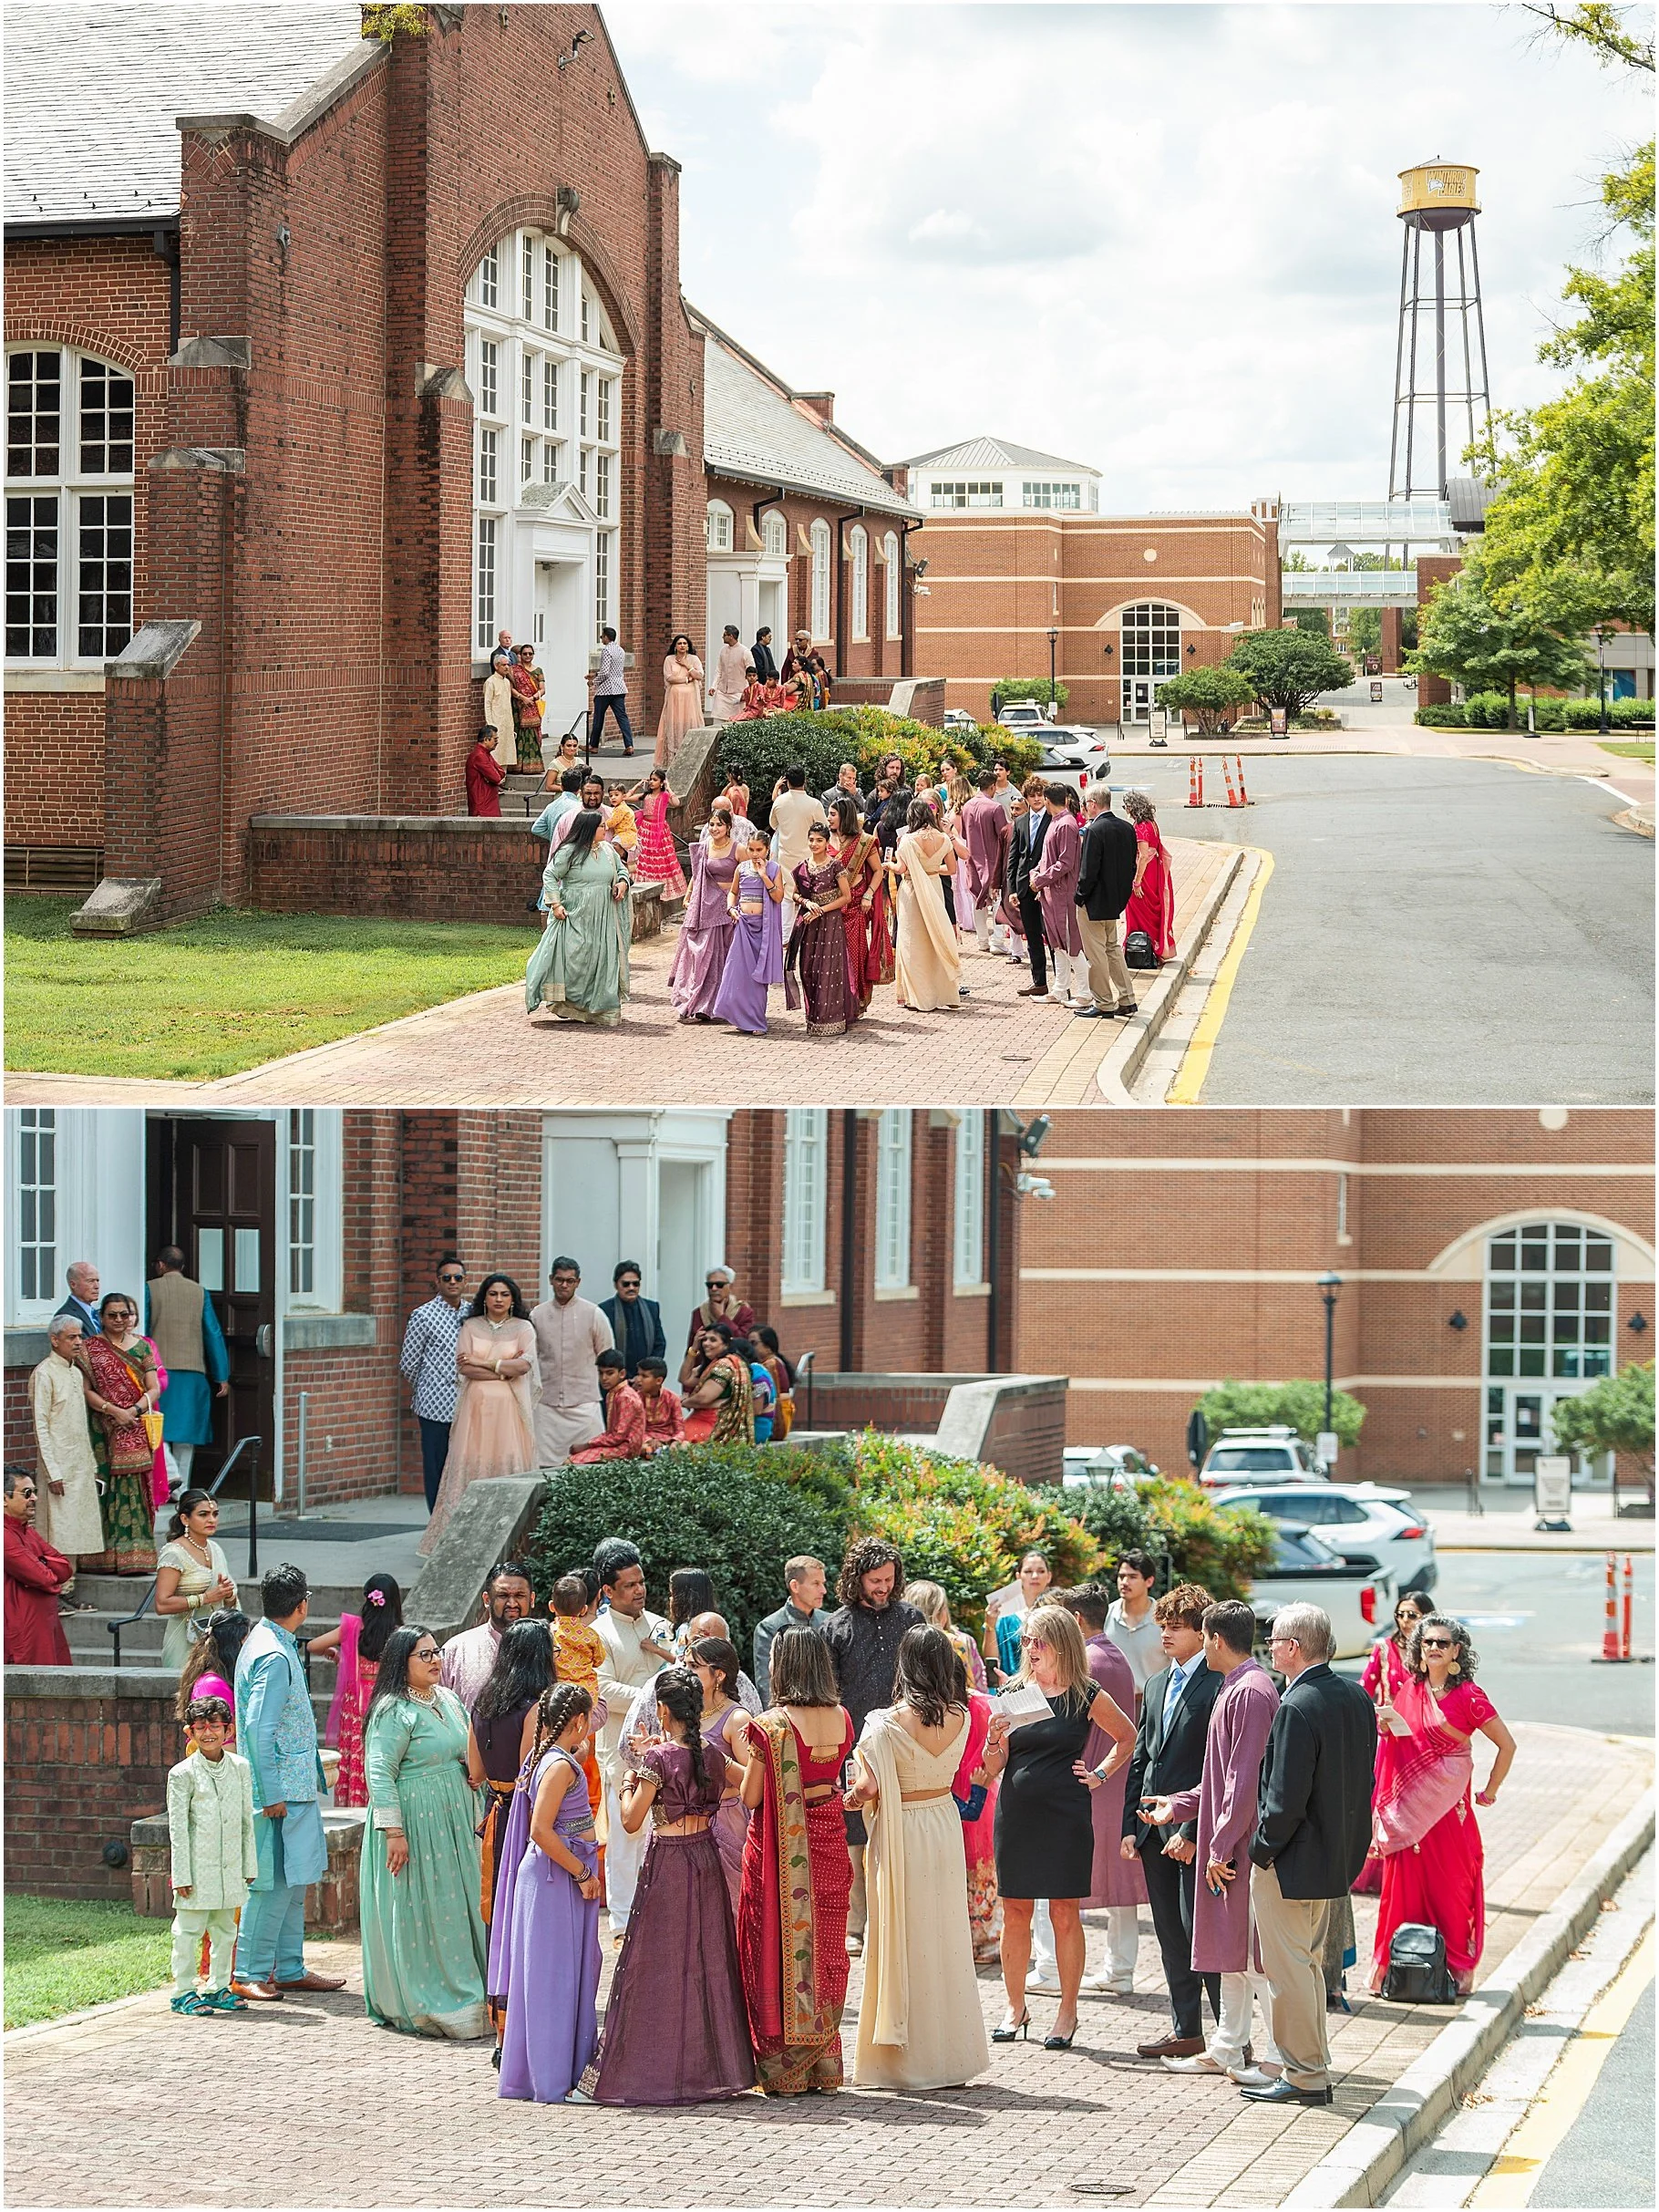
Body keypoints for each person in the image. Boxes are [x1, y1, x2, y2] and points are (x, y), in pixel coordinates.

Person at [575, 1665, 756, 2103]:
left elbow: (631, 1821)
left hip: (670, 1862)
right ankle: (710, 2070)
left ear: (661, 1709)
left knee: (655, 1964)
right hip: (706, 1859)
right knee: (707, 1962)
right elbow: (753, 1785)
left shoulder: (657, 1760)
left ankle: (644, 2068)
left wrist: (627, 1782)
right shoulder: (712, 1753)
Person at [846, 1625, 992, 2090]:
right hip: (943, 1822)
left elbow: (867, 1788)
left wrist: (852, 1797)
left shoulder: (884, 1723)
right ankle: (951, 2055)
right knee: (946, 1936)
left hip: (903, 1828)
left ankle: (903, 2060)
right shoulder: (963, 1714)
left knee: (901, 1935)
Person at [1142, 1599, 1283, 2082]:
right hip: (1230, 1844)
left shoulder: (1249, 1692)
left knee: (1255, 1958)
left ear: (1217, 1640)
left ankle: (1280, 2056)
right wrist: (1178, 1806)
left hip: (1239, 1850)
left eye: (1203, 1636)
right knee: (1234, 1957)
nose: (1202, 1645)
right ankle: (1226, 2047)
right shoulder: (1239, 1685)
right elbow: (1219, 1779)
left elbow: (1243, 1785)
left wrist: (1217, 1847)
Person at [1243, 1602, 1376, 2106]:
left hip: (1290, 1860)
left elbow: (1283, 1799)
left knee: (1289, 1969)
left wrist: (1260, 1850)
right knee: (1308, 1966)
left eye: (1275, 1640)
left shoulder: (1296, 1705)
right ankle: (1312, 2066)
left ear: (1294, 1647)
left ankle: (1304, 2075)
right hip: (1336, 1857)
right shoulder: (1356, 1696)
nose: (1270, 1647)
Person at [985, 1603, 1134, 2050]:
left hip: (1066, 1816)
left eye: (1037, 1641)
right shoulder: (1014, 1693)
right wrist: (994, 1739)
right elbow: (995, 1765)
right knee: (1015, 1912)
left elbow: (1127, 1736)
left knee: (1065, 1913)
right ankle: (1016, 2008)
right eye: (1025, 1641)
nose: (1028, 1649)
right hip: (1016, 1814)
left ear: (1061, 1645)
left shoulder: (1086, 1694)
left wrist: (1101, 1774)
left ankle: (1067, 2012)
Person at [1368, 1613, 1516, 2000]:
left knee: (1452, 1888)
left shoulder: (1470, 1696)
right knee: (1403, 1890)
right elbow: (1401, 1741)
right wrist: (1387, 1729)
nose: (1433, 1647)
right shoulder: (1408, 1690)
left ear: (1457, 1651)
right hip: (1409, 1817)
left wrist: (1491, 1790)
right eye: (1428, 1642)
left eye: (1442, 1643)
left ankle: (1455, 1971)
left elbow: (1507, 1745)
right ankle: (1397, 1971)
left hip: (1451, 1814)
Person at [736, 1625, 857, 2093]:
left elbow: (751, 1797)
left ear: (783, 1667)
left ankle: (785, 2071)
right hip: (830, 1840)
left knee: (772, 1944)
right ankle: (822, 2064)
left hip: (779, 1850)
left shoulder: (770, 1726)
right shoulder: (843, 1717)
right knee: (826, 1947)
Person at [359, 1624, 489, 2040]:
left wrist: (473, 1772)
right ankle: (428, 1997)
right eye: (425, 1655)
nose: (436, 1660)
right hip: (414, 1824)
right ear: (403, 1662)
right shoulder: (393, 1710)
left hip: (454, 1820)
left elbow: (467, 1743)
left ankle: (478, 1989)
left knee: (458, 1900)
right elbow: (379, 1772)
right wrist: (393, 1831)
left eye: (437, 1652)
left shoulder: (448, 1699)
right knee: (425, 1906)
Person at [1123, 1582, 1227, 2060]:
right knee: (1169, 1932)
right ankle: (1187, 2028)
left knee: (1202, 1933)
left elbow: (1217, 1766)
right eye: (1163, 1624)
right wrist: (1131, 1823)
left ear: (1201, 1632)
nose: (1165, 1633)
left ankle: (1228, 2031)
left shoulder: (1217, 1682)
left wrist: (1189, 1831)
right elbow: (1143, 1755)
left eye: (1177, 1627)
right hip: (1152, 1830)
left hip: (1193, 1829)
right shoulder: (1160, 1682)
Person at [232, 1563, 345, 2001]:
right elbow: (259, 1728)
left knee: (292, 1880)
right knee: (274, 1883)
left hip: (288, 1785)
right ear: (302, 1605)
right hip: (280, 1791)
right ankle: (251, 1971)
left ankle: (289, 1966)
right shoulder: (274, 1654)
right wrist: (272, 1793)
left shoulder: (265, 1643)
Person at [498, 1682, 603, 2103]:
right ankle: (552, 2075)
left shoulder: (545, 1758)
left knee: (551, 1975)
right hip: (556, 1879)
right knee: (553, 1979)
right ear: (578, 1721)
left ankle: (543, 2071)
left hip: (549, 1879)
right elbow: (541, 1830)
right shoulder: (558, 1766)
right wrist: (581, 1872)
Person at [822, 1537, 925, 1958]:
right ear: (857, 1579)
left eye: (889, 1579)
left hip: (905, 1739)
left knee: (903, 1828)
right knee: (855, 1835)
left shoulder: (912, 1618)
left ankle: (899, 1919)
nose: (883, 1587)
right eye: (875, 1580)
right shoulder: (835, 1626)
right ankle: (855, 1923)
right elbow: (827, 1692)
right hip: (854, 1745)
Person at [1055, 1584, 1145, 1995]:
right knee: (1119, 1878)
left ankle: (1118, 1968)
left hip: (1096, 1775)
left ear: (1075, 1620)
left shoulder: (1089, 1659)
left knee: (1106, 1877)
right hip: (1112, 1774)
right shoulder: (1112, 1653)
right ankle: (1119, 1966)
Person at [907, 1580, 997, 1959]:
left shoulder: (907, 1646)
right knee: (977, 1843)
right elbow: (977, 1684)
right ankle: (983, 1933)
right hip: (971, 1730)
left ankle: (945, 1935)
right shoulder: (959, 1642)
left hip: (932, 1744)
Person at [466, 1615, 558, 1988]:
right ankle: (524, 1997)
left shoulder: (482, 1703)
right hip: (524, 1817)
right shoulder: (536, 1707)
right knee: (525, 1908)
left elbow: (475, 1770)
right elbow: (531, 1772)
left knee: (498, 1906)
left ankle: (498, 1995)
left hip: (494, 1810)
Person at [419, 1275, 539, 1556]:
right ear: (484, 1298)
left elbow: (523, 1367)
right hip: (475, 1412)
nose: (499, 1299)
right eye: (493, 1293)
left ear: (513, 1299)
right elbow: (465, 1368)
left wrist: (483, 1361)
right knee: (471, 1464)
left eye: (505, 1294)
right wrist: (502, 1370)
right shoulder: (470, 1326)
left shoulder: (524, 1328)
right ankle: (461, 1543)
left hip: (508, 1413)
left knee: (506, 1463)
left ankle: (511, 1543)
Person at [592, 1540, 673, 1938]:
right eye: (629, 1585)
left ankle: (659, 1913)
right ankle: (624, 1922)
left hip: (667, 1752)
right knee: (626, 1838)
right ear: (607, 1591)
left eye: (641, 1582)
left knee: (663, 1834)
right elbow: (603, 1690)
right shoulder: (598, 1635)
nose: (639, 1590)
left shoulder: (659, 1625)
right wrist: (654, 1697)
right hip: (621, 1755)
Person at [166, 1694, 258, 2016]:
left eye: (215, 1727)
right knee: (188, 1930)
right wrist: (182, 1874)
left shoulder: (240, 1768)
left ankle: (219, 1986)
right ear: (189, 1732)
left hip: (231, 1865)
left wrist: (249, 1864)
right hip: (197, 1867)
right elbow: (178, 1829)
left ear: (228, 1729)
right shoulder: (182, 1774)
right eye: (201, 1727)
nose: (209, 1734)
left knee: (225, 1930)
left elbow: (248, 1820)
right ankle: (183, 1990)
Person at [1354, 1590, 1433, 1896]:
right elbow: (1366, 1688)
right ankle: (1380, 1872)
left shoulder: (1431, 1651)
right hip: (1390, 1741)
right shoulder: (1385, 1649)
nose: (1404, 1621)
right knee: (1384, 1805)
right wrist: (1374, 1718)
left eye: (1412, 1615)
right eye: (1400, 1614)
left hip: (1422, 1741)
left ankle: (1413, 1870)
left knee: (1416, 1803)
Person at [77, 1294, 160, 1575]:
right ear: (101, 1317)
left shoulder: (142, 1348)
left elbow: (154, 1387)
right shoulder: (90, 1349)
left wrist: (134, 1410)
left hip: (135, 1426)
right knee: (105, 1488)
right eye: (112, 1315)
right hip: (104, 1429)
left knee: (136, 1486)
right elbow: (86, 1389)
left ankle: (137, 1557)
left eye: (124, 1315)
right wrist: (114, 1411)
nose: (119, 1320)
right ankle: (104, 1558)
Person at [526, 809, 632, 1028]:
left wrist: (622, 884)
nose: (606, 829)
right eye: (602, 826)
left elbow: (623, 871)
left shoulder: (608, 851)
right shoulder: (570, 851)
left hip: (603, 916)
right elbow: (550, 874)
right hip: (575, 914)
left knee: (602, 959)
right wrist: (556, 904)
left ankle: (600, 1008)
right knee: (576, 959)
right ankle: (570, 1004)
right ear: (589, 829)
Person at [314, 1573, 404, 1807]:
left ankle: (354, 1805)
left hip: (355, 1704)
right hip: (385, 1701)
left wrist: (340, 1656)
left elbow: (314, 1645)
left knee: (356, 1753)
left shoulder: (352, 1627)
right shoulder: (400, 1634)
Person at [145, 1246, 230, 1487]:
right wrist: (221, 1374)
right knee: (187, 1435)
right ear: (182, 1267)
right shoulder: (199, 1292)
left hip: (159, 1371)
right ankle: (181, 1488)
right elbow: (212, 1332)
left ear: (161, 1265)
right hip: (193, 1371)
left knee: (157, 1430)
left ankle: (166, 1479)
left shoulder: (150, 1289)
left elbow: (144, 1329)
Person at [29, 1318, 104, 1567]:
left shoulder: (74, 1372)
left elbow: (80, 1424)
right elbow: (41, 1426)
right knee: (57, 1530)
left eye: (80, 1336)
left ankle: (69, 1586)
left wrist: (92, 1465)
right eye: (71, 1338)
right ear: (54, 1340)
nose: (78, 1342)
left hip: (80, 1464)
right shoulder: (44, 1373)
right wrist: (52, 1472)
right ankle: (54, 1590)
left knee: (76, 1529)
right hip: (58, 1465)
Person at [399, 1256, 469, 1515]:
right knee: (436, 1467)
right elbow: (408, 1363)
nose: (452, 1282)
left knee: (462, 1466)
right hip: (434, 1405)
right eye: (447, 1278)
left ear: (465, 1281)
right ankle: (436, 1523)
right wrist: (430, 1385)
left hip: (466, 1403)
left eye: (458, 1278)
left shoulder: (473, 1313)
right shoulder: (422, 1315)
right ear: (437, 1281)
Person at [529, 1258, 612, 1463]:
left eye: (570, 1280)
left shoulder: (594, 1314)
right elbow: (530, 1358)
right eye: (559, 1280)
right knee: (543, 1467)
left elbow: (608, 1357)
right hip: (547, 1405)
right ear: (551, 1279)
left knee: (591, 1464)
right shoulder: (537, 1315)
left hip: (584, 1403)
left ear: (578, 1282)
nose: (564, 1285)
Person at [689, 1634, 751, 1904]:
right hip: (690, 1820)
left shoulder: (737, 1718)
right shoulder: (687, 1713)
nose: (685, 1672)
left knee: (729, 1905)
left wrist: (716, 1758)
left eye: (694, 1666)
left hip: (727, 1820)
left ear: (719, 1675)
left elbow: (752, 1780)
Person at [1073, 781, 1140, 1020]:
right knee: (1112, 949)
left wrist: (1079, 896)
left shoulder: (1094, 830)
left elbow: (1088, 871)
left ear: (1092, 804)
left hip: (1092, 902)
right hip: (1115, 900)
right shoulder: (1126, 828)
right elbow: (1131, 865)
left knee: (1096, 954)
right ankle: (1127, 998)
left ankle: (1103, 1002)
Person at [888, 797, 963, 1011]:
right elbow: (951, 869)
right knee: (933, 938)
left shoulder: (907, 840)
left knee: (912, 941)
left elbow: (902, 869)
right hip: (934, 887)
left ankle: (916, 996)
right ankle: (942, 992)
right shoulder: (943, 839)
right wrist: (930, 870)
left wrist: (889, 865)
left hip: (912, 891)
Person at [668, 804, 740, 1022]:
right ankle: (697, 1002)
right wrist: (689, 894)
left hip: (729, 908)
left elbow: (749, 875)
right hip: (706, 906)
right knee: (701, 955)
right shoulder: (705, 847)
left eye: (719, 825)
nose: (715, 828)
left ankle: (722, 1003)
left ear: (728, 827)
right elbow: (698, 874)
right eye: (712, 824)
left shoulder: (739, 849)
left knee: (725, 956)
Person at [787, 821, 860, 1035]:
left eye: (819, 840)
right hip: (809, 922)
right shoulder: (802, 867)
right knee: (808, 968)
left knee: (829, 969)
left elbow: (846, 897)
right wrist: (806, 903)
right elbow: (794, 894)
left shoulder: (836, 866)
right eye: (811, 840)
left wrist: (822, 909)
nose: (814, 844)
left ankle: (831, 1019)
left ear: (827, 842)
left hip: (830, 923)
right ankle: (812, 1017)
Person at [712, 828, 787, 1034]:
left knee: (758, 977)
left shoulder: (774, 869)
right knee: (737, 973)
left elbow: (779, 897)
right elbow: (733, 893)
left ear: (767, 850)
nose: (755, 854)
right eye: (751, 849)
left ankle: (756, 1022)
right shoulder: (741, 868)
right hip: (743, 926)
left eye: (759, 850)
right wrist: (730, 909)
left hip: (764, 929)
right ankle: (737, 1016)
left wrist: (764, 876)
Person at [154, 1488, 238, 1670]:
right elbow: (162, 1604)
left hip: (215, 1641)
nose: (212, 1520)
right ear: (185, 1519)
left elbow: (228, 1602)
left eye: (215, 1514)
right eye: (203, 1514)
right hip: (183, 1640)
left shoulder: (215, 1548)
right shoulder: (174, 1553)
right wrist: (205, 1598)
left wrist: (228, 1595)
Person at [438, 1560, 537, 1712]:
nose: (512, 1603)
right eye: (503, 1595)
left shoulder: (551, 1648)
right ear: (486, 1600)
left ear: (531, 1599)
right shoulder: (456, 1650)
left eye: (519, 1595)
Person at [3, 1466, 74, 1665]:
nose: (34, 1498)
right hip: (22, 1630)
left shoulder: (27, 1531)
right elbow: (45, 1578)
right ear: (4, 1499)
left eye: (34, 1492)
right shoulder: (5, 1535)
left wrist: (40, 1562)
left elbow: (66, 1569)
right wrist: (44, 1564)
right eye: (27, 1493)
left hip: (44, 1625)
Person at [1031, 781, 1086, 1007]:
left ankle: (1085, 992)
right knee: (1057, 945)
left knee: (1071, 944)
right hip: (1051, 893)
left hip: (1063, 894)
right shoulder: (1057, 822)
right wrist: (1037, 874)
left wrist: (1040, 879)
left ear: (1046, 800)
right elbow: (1048, 860)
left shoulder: (1066, 824)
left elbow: (1065, 863)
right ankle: (1060, 989)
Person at [752, 1555, 830, 1706]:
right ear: (795, 1586)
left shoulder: (830, 1622)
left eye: (823, 1583)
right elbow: (766, 1685)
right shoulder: (769, 1627)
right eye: (816, 1583)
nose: (823, 1590)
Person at [960, 766, 1013, 953]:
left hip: (973, 860)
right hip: (993, 860)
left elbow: (965, 834)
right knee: (997, 900)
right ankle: (997, 941)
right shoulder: (995, 807)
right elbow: (1004, 835)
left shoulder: (966, 806)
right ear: (992, 786)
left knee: (977, 900)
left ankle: (982, 940)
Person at [984, 1548, 1056, 1683]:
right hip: (1012, 1687)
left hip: (1051, 1687)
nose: (1035, 1576)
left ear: (1049, 1576)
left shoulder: (1057, 1613)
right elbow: (991, 1660)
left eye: (1041, 1571)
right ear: (1018, 1576)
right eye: (1028, 1571)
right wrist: (990, 1626)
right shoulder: (1004, 1616)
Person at [1122, 789, 1177, 963]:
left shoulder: (1140, 828)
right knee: (1153, 909)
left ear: (1132, 807)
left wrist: (1137, 882)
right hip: (1154, 872)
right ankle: (1155, 946)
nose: (1126, 810)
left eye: (1126, 806)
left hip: (1144, 874)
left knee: (1138, 909)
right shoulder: (1152, 824)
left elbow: (1143, 856)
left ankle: (1141, 948)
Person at [680, 1323, 756, 1444]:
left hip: (716, 1423)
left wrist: (685, 1402)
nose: (706, 1344)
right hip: (705, 1419)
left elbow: (703, 1398)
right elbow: (685, 1378)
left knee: (678, 1441)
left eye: (713, 1340)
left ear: (726, 1344)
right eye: (704, 1340)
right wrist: (693, 1349)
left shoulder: (724, 1365)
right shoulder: (714, 1363)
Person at [569, 1350, 646, 1463]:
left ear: (622, 1374)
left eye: (609, 1373)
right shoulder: (613, 1393)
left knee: (571, 1462)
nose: (604, 1378)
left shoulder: (625, 1397)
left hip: (626, 1449)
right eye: (601, 1373)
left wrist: (587, 1445)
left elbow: (618, 1437)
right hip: (616, 1446)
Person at [1107, 1549, 1165, 1696]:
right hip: (1112, 1704)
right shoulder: (1106, 1614)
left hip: (1151, 1703)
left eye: (1133, 1577)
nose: (1125, 1582)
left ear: (1149, 1581)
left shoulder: (1164, 1620)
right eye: (1121, 1576)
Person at [598, 1262, 665, 1380]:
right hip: (616, 1380)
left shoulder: (651, 1308)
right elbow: (603, 1349)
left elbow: (659, 1344)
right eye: (626, 1284)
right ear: (616, 1285)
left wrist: (645, 1375)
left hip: (646, 1380)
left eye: (635, 1284)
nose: (631, 1288)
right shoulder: (605, 1310)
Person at [627, 766, 685, 898]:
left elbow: (676, 803)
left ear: (661, 782)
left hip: (660, 830)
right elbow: (626, 797)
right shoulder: (646, 795)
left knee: (662, 859)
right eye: (650, 780)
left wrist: (668, 787)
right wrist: (637, 785)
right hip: (645, 829)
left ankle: (663, 888)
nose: (651, 782)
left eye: (654, 780)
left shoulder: (665, 795)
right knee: (643, 858)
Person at [655, 634, 704, 767]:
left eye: (684, 643)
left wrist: (688, 665)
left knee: (689, 723)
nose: (682, 646)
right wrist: (686, 679)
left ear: (688, 646)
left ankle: (691, 757)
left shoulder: (693, 659)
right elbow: (669, 678)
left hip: (690, 700)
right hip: (674, 698)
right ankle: (672, 758)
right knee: (674, 723)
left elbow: (699, 676)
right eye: (679, 643)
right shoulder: (669, 659)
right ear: (675, 646)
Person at [588, 625, 635, 755]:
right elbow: (613, 670)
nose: (601, 639)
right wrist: (595, 674)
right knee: (622, 717)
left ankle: (593, 745)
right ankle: (629, 745)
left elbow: (605, 673)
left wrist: (593, 682)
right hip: (619, 687)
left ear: (606, 637)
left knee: (598, 717)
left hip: (606, 690)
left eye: (602, 636)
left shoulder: (607, 650)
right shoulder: (620, 650)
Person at [686, 1266, 756, 1349]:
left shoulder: (744, 1312)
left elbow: (744, 1344)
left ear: (730, 1287)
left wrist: (721, 1317)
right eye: (710, 1285)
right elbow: (691, 1348)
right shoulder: (699, 1313)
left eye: (719, 1285)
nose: (714, 1289)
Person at [636, 1359, 686, 1452]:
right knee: (639, 1447)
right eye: (638, 1374)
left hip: (668, 1440)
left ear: (659, 1380)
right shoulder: (636, 1399)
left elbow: (680, 1429)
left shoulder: (672, 1398)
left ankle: (662, 1453)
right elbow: (635, 1428)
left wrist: (675, 1442)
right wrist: (650, 1440)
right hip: (645, 1441)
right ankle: (658, 1453)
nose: (638, 1379)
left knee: (685, 1446)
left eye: (644, 1376)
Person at [510, 643, 545, 769]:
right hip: (518, 706)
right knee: (519, 735)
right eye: (525, 654)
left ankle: (533, 766)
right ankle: (518, 766)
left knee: (533, 735)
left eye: (530, 654)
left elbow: (542, 689)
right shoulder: (513, 670)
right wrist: (522, 698)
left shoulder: (538, 670)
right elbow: (511, 688)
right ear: (520, 655)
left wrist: (532, 698)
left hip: (533, 705)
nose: (528, 656)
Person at [707, 624, 753, 723]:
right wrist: (713, 686)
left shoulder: (745, 652)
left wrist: (748, 691)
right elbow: (719, 670)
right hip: (722, 692)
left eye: (724, 635)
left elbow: (752, 674)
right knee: (718, 721)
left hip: (738, 692)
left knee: (736, 722)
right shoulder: (723, 651)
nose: (722, 637)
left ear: (731, 636)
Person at [780, 630, 831, 710]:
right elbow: (786, 668)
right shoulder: (792, 650)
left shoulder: (813, 653)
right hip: (793, 682)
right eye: (796, 639)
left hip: (806, 684)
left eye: (800, 640)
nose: (797, 641)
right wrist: (784, 681)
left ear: (807, 641)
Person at [482, 648, 516, 767]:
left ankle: (503, 778)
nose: (507, 667)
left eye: (508, 664)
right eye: (504, 665)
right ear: (496, 666)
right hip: (496, 723)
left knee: (506, 754)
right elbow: (487, 704)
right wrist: (490, 724)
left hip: (507, 723)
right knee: (496, 754)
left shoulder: (507, 682)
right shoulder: (490, 682)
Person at [54, 1259, 102, 1339]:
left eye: (97, 1281)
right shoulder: (66, 1316)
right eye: (90, 1281)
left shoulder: (96, 1314)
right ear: (73, 1284)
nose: (96, 1286)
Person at [466, 726, 508, 816]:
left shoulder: (486, 754)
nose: (497, 742)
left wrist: (492, 777)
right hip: (483, 807)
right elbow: (496, 778)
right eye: (495, 739)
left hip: (488, 804)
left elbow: (501, 772)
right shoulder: (479, 756)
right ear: (486, 740)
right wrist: (493, 777)